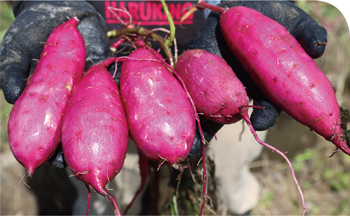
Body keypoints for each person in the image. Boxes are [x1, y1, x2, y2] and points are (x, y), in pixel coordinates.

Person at [0, 0, 327, 215]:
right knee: (109, 187)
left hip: (215, 57)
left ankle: (235, 205)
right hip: (99, 58)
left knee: (229, 163)